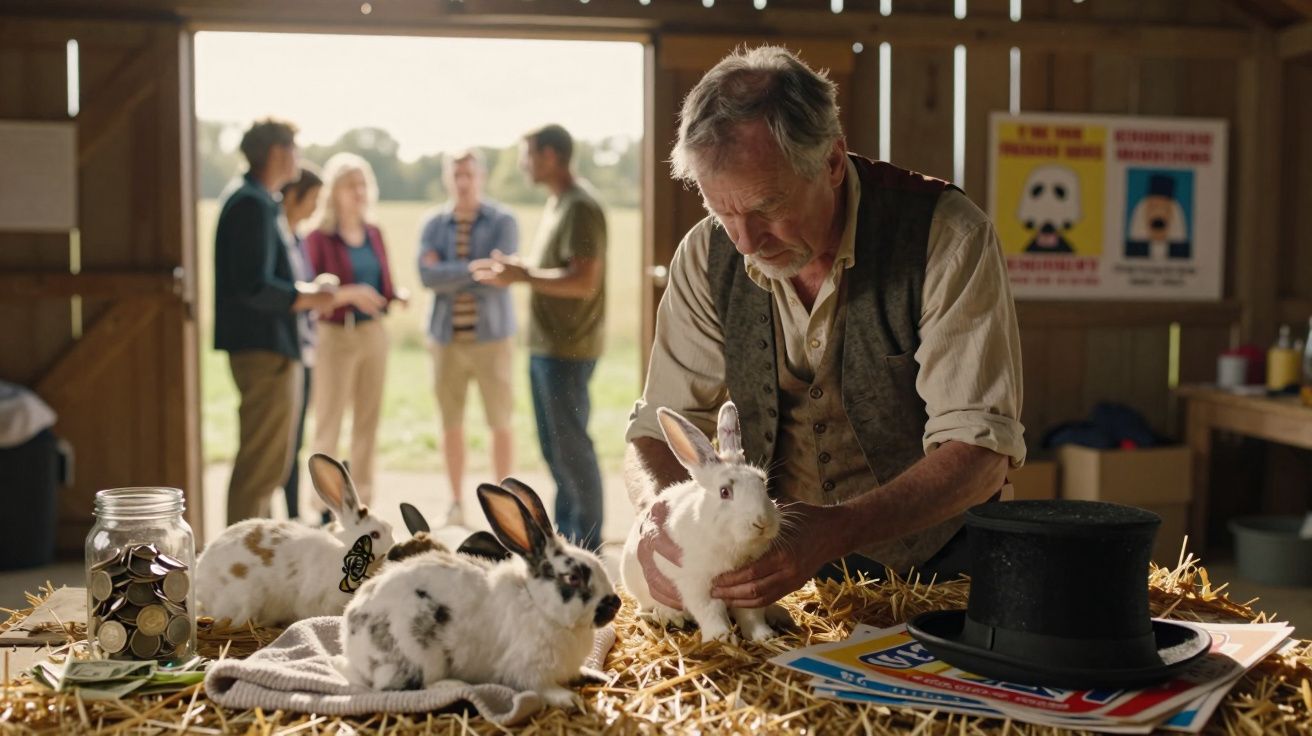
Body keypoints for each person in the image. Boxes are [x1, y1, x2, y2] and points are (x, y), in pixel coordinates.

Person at [624, 47, 1025, 612]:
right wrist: (656, 517)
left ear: (832, 161)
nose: (745, 240)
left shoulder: (946, 238)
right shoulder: (705, 256)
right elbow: (658, 425)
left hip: (941, 574)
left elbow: (980, 450)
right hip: (778, 582)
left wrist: (836, 531)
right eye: (722, 212)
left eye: (767, 206)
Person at [213, 119, 370, 524]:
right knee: (260, 466)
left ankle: (254, 554)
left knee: (270, 465)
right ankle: (238, 562)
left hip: (269, 346)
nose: (299, 158)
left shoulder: (255, 199)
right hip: (264, 348)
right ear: (279, 153)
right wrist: (309, 296)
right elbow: (254, 286)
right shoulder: (253, 203)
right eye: (295, 149)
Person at [471, 124, 608, 551]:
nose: (523, 163)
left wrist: (522, 274)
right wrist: (519, 268)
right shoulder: (558, 204)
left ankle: (586, 547)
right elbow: (558, 267)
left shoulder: (581, 207)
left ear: (550, 155)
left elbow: (583, 280)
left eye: (528, 154)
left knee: (571, 452)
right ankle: (566, 541)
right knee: (557, 452)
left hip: (567, 349)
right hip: (549, 348)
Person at [418, 149, 519, 527]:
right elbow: (426, 277)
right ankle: (456, 501)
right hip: (445, 339)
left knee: (500, 420)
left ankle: (504, 502)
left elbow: (499, 275)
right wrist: (471, 270)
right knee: (451, 422)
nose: (462, 182)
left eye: (469, 174)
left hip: (492, 338)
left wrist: (449, 273)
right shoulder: (433, 224)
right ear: (448, 177)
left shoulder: (502, 220)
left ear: (481, 177)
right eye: (456, 174)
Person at [305, 153, 398, 512]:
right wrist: (351, 293)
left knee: (367, 425)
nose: (357, 192)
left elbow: (385, 285)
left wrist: (392, 297)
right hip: (334, 336)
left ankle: (362, 504)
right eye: (349, 185)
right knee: (328, 423)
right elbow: (311, 292)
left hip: (373, 334)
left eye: (362, 184)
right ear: (334, 192)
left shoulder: (374, 232)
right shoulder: (318, 237)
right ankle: (322, 506)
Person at [278, 164, 323, 521]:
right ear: (293, 197)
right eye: (312, 198)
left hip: (306, 348)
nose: (316, 206)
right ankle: (291, 515)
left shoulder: (298, 239)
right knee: (286, 441)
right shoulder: (281, 238)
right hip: (287, 349)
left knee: (296, 435)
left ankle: (294, 514)